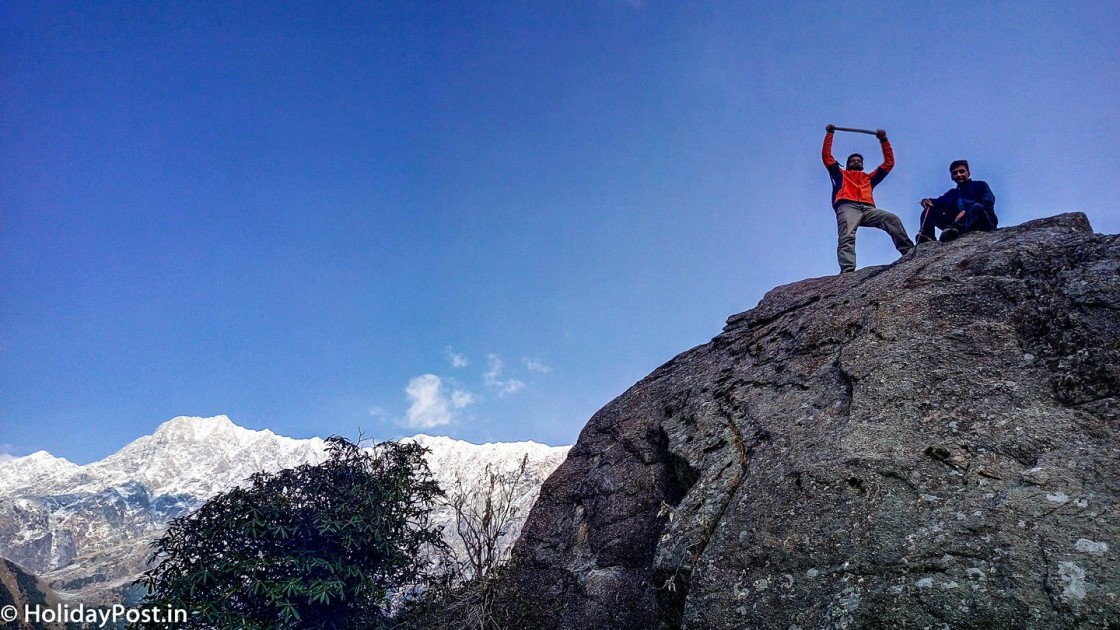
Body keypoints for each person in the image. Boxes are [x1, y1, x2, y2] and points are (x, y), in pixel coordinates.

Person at [822, 124, 914, 273]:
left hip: (868, 209)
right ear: (847, 164)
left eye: (859, 161)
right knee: (847, 235)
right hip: (847, 206)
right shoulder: (840, 174)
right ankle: (847, 270)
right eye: (853, 160)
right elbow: (827, 157)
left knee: (892, 219)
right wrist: (830, 134)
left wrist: (883, 141)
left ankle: (908, 251)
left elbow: (889, 163)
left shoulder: (869, 178)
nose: (857, 162)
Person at [918, 160, 997, 243]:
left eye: (962, 171)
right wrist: (926, 201)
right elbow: (937, 202)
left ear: (968, 173)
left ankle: (954, 229)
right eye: (955, 173)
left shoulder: (980, 185)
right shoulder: (952, 193)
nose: (959, 175)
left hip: (982, 223)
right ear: (952, 177)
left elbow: (988, 201)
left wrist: (965, 211)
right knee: (930, 209)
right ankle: (927, 237)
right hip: (957, 225)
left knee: (976, 207)